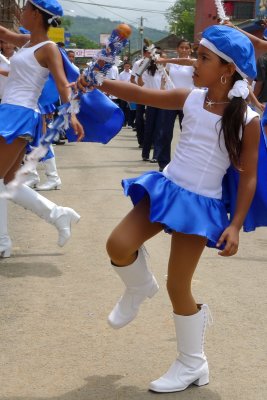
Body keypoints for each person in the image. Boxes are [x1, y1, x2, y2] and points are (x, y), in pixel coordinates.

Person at [79, 24, 262, 392]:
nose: (195, 62)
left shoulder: (247, 120)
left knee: (178, 285)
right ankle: (138, 287)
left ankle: (193, 363)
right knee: (117, 245)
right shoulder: (192, 98)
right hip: (168, 188)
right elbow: (139, 93)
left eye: (203, 57)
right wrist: (99, 82)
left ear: (227, 70)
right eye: (197, 54)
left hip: (201, 205)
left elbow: (248, 178)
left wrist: (236, 225)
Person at [0, 0, 84, 258]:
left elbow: (61, 84)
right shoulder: (27, 41)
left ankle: (2, 242)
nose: (20, 12)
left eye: (24, 9)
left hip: (21, 113)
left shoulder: (49, 48)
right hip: (10, 110)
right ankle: (58, 215)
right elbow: (3, 33)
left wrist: (72, 115)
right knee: (9, 181)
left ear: (36, 14)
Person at [130, 46, 151, 147]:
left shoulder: (155, 64)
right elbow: (132, 79)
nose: (149, 54)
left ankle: (150, 141)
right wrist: (138, 88)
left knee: (150, 119)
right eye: (147, 52)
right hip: (141, 95)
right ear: (144, 53)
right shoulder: (138, 63)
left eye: (151, 52)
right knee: (139, 119)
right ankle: (141, 140)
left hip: (152, 95)